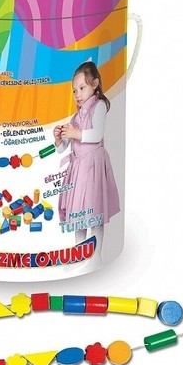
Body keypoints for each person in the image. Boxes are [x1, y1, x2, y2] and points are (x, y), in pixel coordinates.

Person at [54, 61, 120, 266]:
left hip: (92, 168)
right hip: (78, 170)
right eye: (75, 91)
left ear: (95, 84)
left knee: (94, 213)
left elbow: (97, 134)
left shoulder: (99, 106)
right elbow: (63, 148)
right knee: (78, 216)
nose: (78, 94)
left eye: (82, 88)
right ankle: (79, 254)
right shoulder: (76, 117)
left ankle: (96, 255)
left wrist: (75, 132)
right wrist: (59, 139)